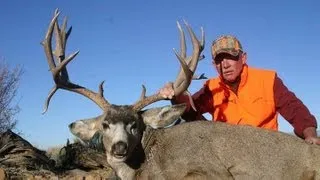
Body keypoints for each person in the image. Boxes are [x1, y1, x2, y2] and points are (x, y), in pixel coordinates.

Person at [160, 35, 320, 145]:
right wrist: (176, 94)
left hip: (266, 150)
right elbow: (189, 111)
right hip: (228, 153)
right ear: (214, 65)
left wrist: (310, 135)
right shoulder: (211, 88)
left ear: (243, 58)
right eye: (219, 60)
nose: (225, 64)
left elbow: (295, 110)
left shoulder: (267, 80)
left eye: (231, 56)